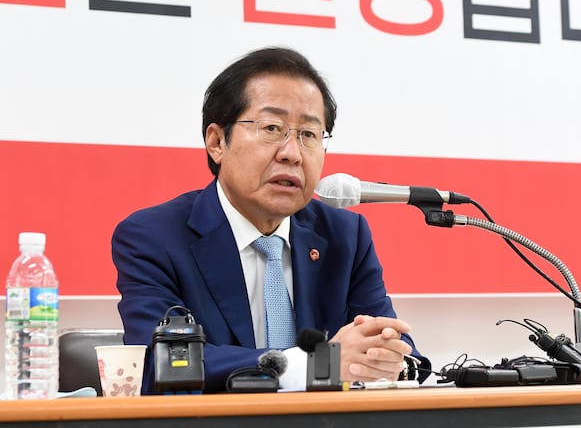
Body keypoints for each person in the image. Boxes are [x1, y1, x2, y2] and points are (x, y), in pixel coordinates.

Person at [112, 46, 430, 394]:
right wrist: (316, 365)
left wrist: (390, 359)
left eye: (309, 134)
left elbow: (393, 347)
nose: (292, 154)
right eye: (272, 128)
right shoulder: (154, 237)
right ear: (217, 142)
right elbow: (160, 365)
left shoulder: (345, 236)